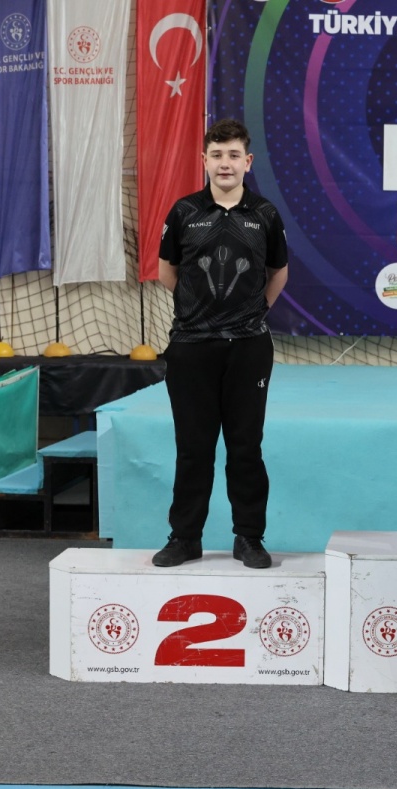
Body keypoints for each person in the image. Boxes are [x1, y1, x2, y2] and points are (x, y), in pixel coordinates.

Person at [152, 118, 289, 569]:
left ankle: (249, 537)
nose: (225, 163)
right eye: (216, 155)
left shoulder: (264, 214)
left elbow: (278, 273)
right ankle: (184, 537)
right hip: (191, 346)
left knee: (245, 448)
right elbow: (167, 272)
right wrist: (200, 313)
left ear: (247, 161)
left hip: (249, 347)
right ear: (204, 161)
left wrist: (252, 313)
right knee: (193, 448)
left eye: (233, 155)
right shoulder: (184, 212)